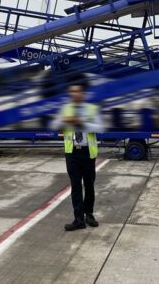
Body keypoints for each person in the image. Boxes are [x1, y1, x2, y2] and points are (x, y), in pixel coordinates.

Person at [51, 85, 103, 232]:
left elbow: (100, 127)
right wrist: (64, 121)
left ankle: (89, 215)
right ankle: (78, 219)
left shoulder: (92, 109)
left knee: (89, 185)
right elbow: (55, 125)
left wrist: (82, 122)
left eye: (77, 91)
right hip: (72, 153)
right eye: (72, 91)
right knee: (76, 187)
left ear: (83, 94)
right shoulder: (65, 109)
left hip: (87, 153)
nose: (74, 94)